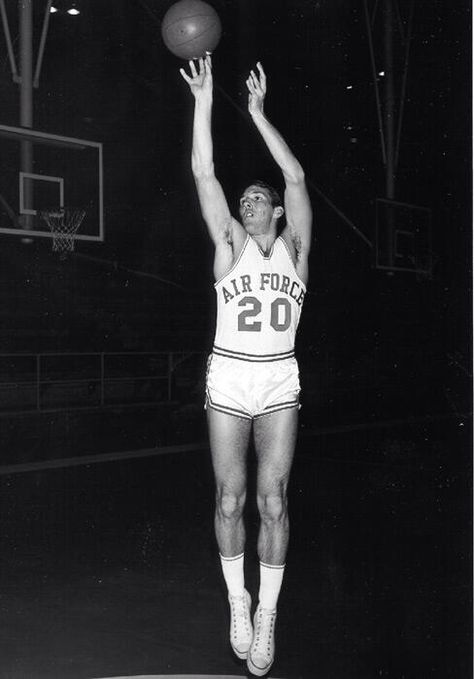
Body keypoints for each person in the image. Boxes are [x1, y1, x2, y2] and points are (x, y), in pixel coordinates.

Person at [180, 54, 312, 676]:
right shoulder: (228, 245)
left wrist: (257, 114)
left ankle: (269, 615)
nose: (249, 201)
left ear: (277, 212)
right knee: (230, 500)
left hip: (279, 376)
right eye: (246, 198)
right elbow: (204, 171)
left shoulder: (295, 249)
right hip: (231, 374)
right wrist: (205, 98)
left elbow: (296, 174)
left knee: (273, 501)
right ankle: (238, 600)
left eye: (258, 197)